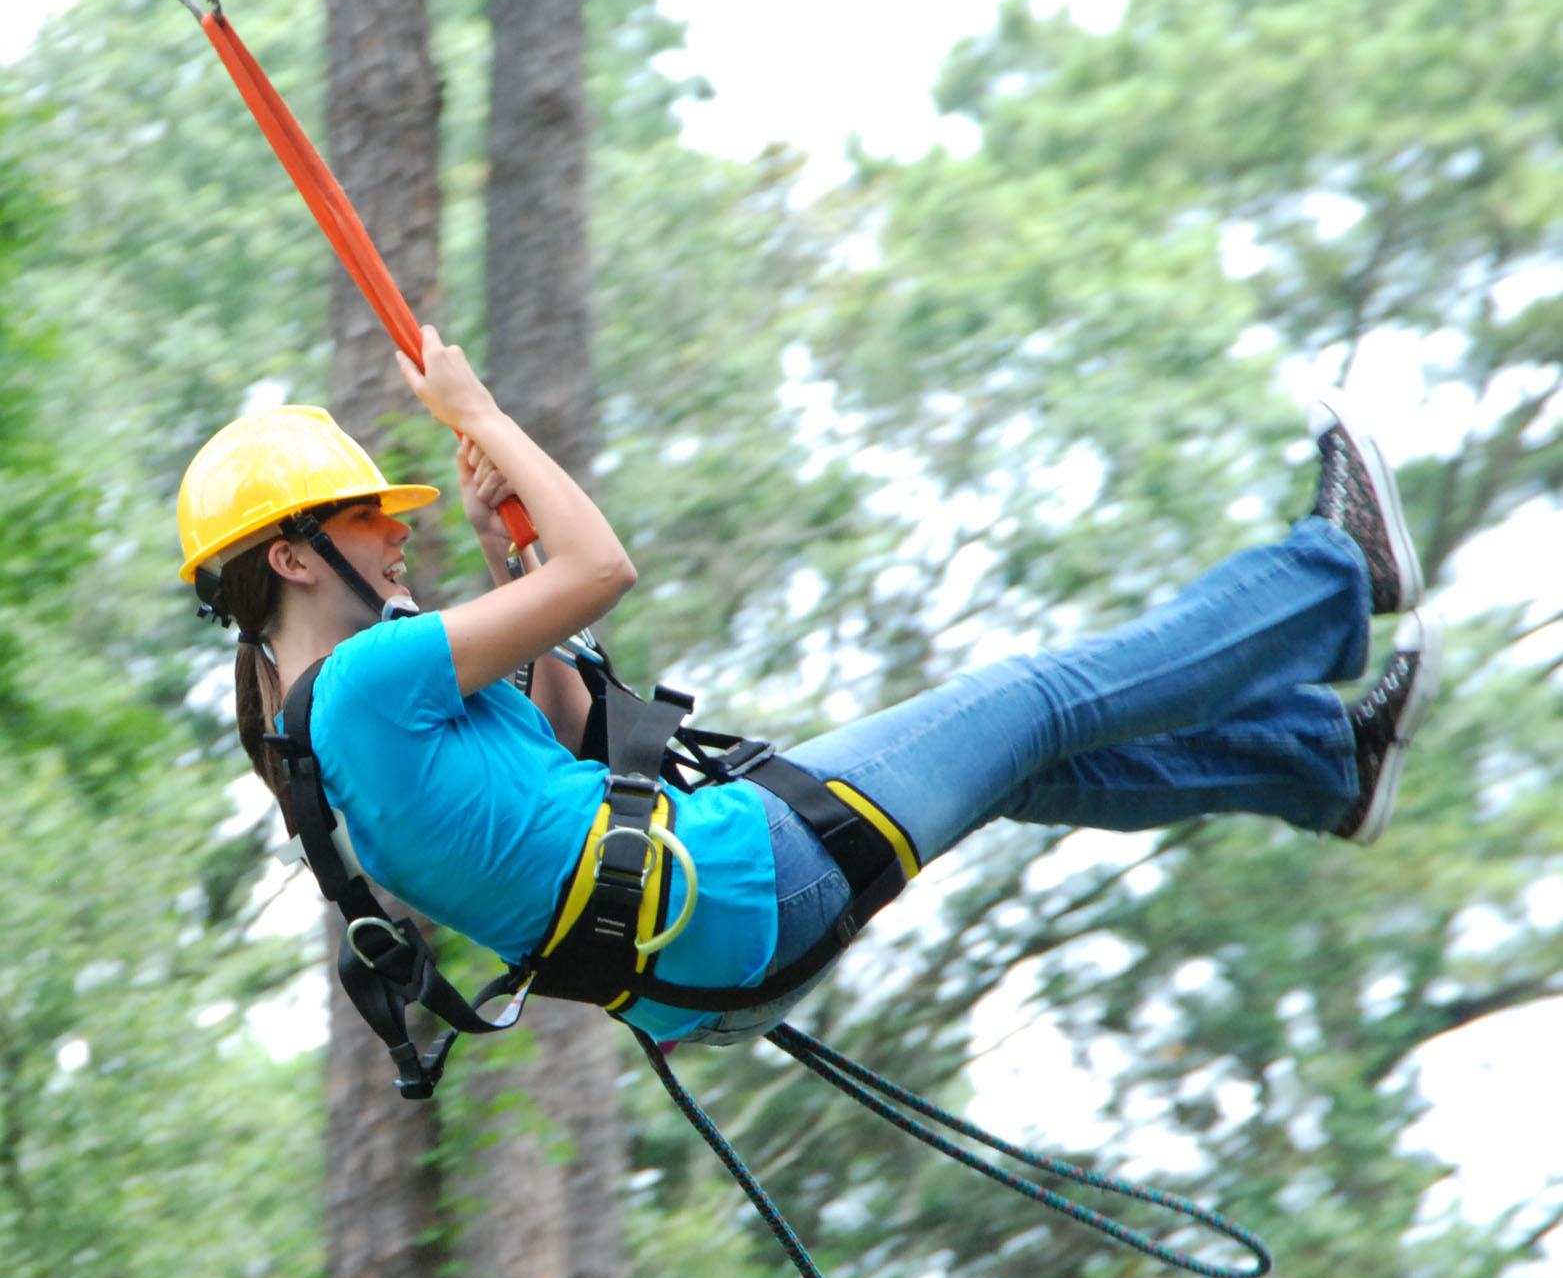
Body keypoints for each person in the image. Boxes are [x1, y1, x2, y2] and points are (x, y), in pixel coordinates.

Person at [177, 327, 1442, 1047]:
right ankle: (1333, 579)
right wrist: (487, 418)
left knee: (1008, 766)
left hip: (709, 973)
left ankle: (1324, 766)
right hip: (740, 880)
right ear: (294, 557)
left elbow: (575, 718)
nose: (400, 540)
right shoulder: (364, 685)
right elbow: (606, 566)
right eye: (369, 522)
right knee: (1038, 698)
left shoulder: (323, 753)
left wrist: (510, 549)